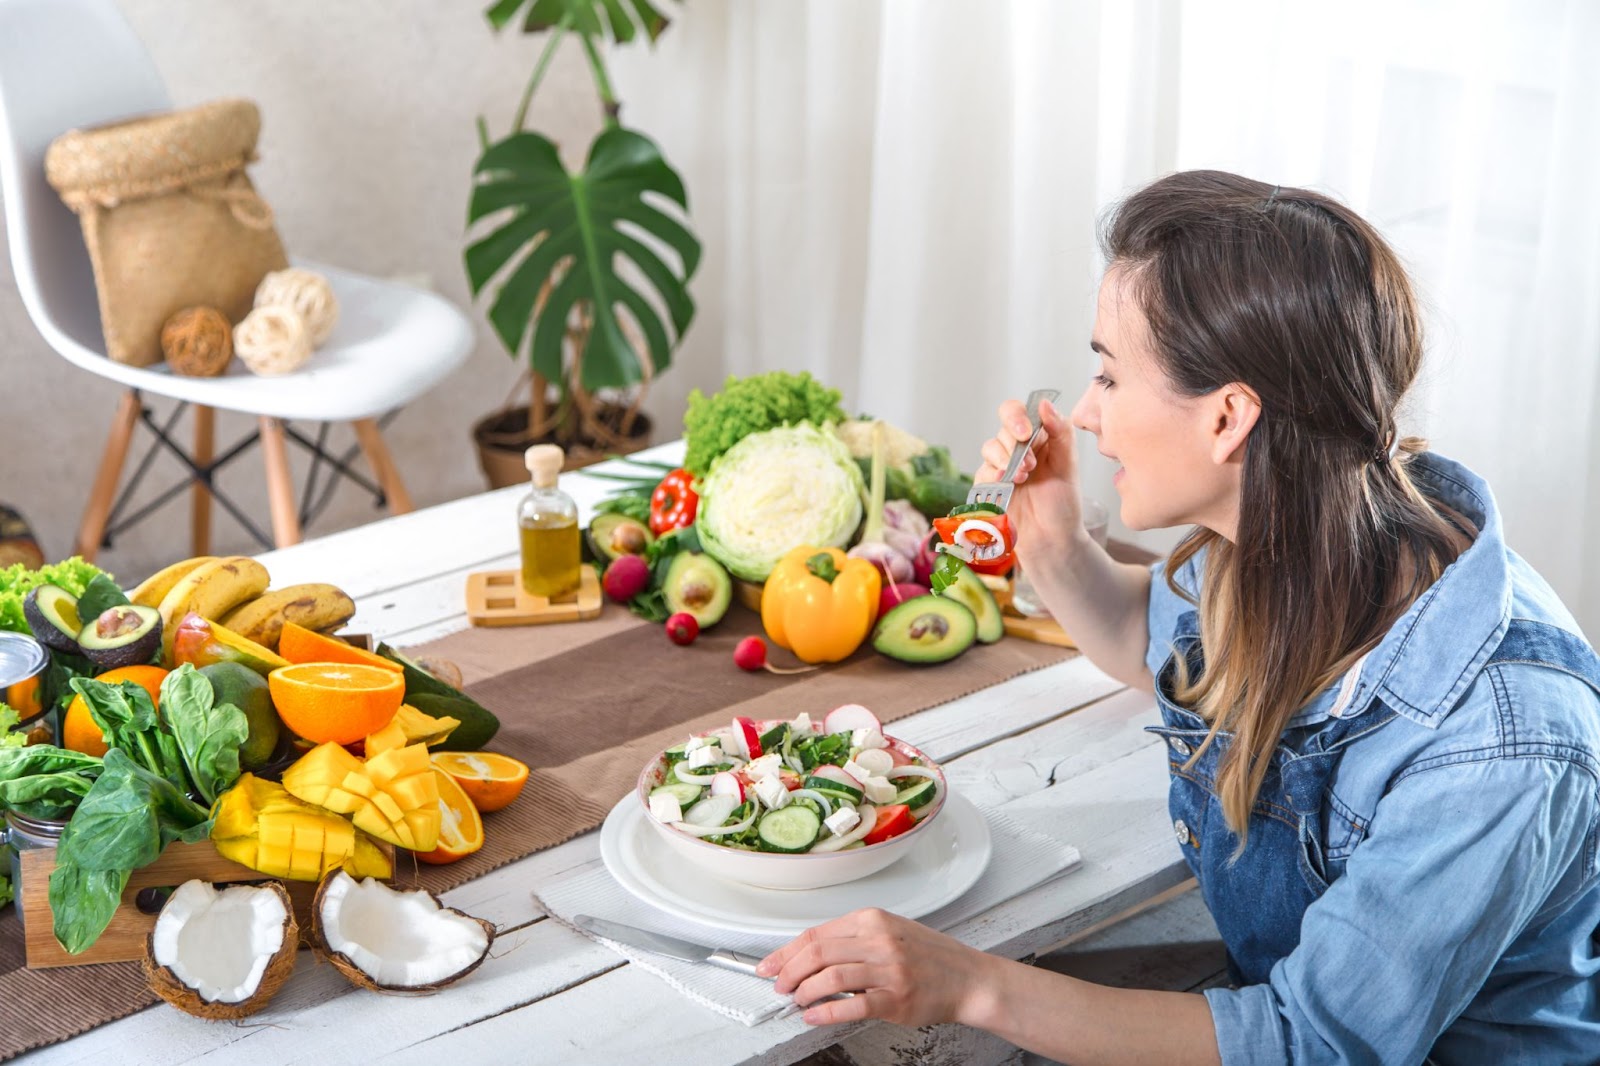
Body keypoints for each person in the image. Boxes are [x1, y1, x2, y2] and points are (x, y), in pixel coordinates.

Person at [757, 170, 1600, 1064]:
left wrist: (970, 981)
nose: (1086, 413)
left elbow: (1302, 1045)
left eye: (1109, 375)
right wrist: (1052, 545)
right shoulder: (1303, 531)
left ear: (1230, 418)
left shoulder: (1501, 748)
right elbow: (1146, 645)